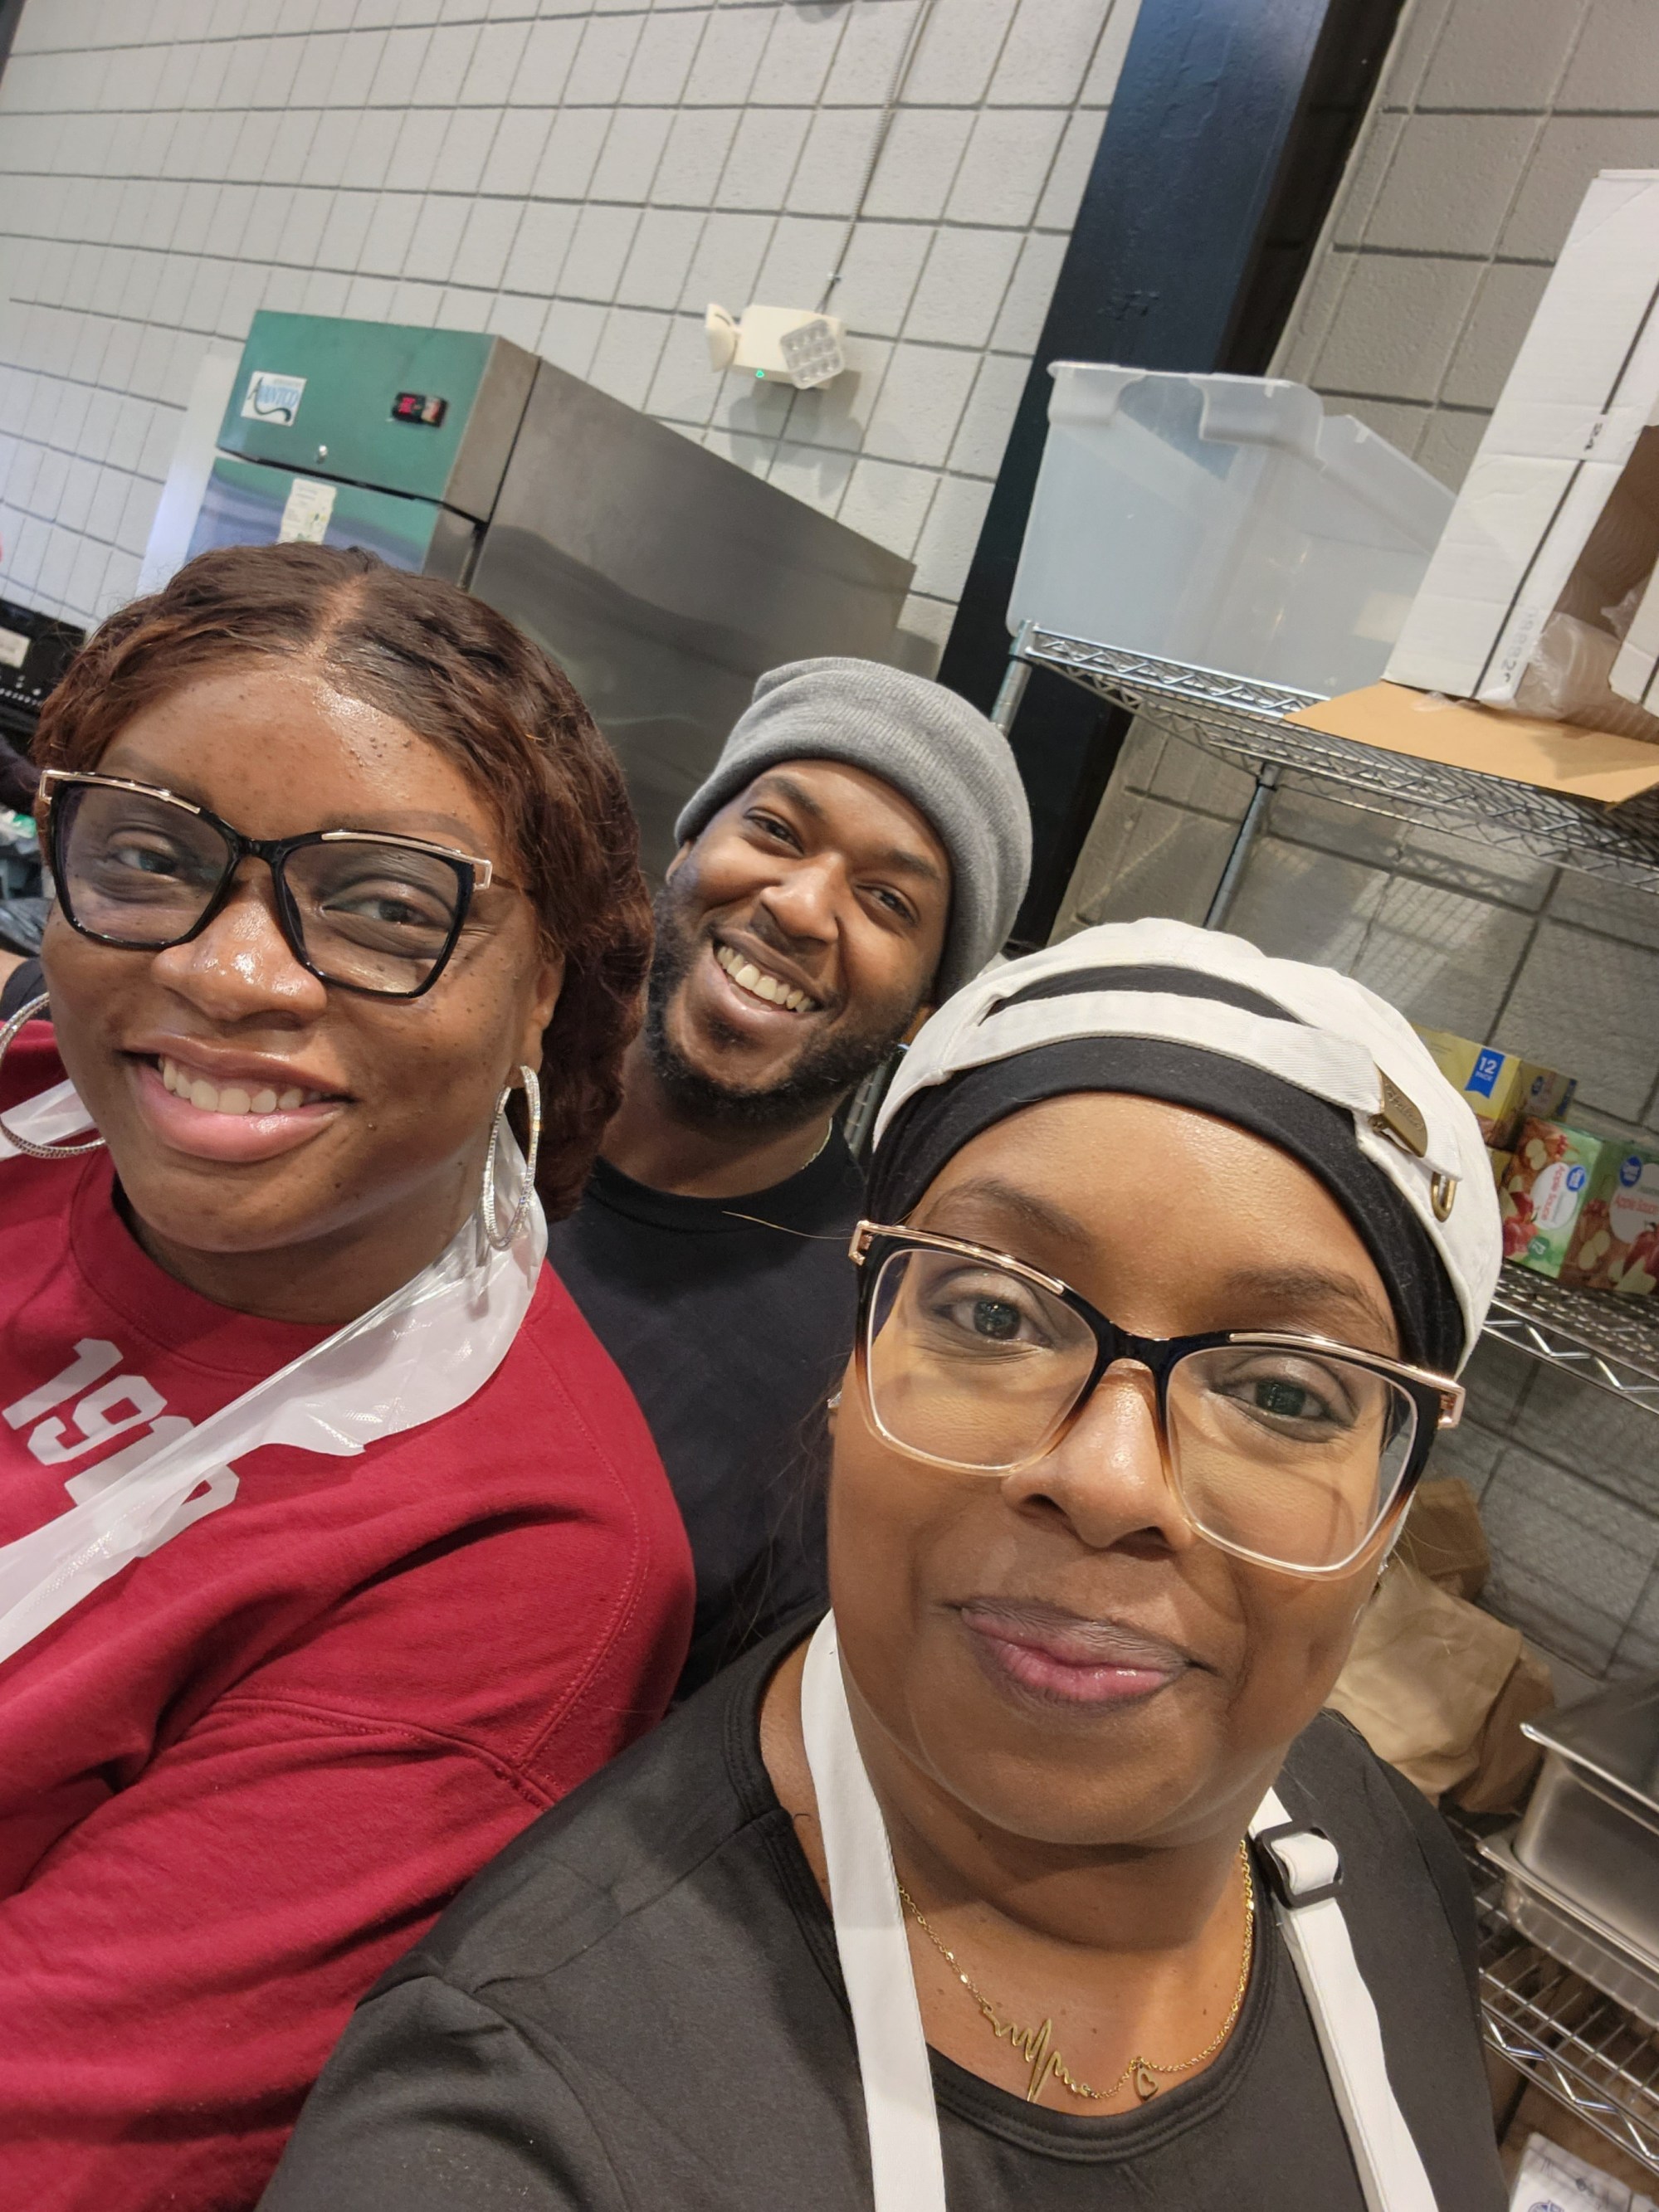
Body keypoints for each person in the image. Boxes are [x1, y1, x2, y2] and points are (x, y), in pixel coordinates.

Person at [264, 916, 1509, 2212]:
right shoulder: (518, 2107)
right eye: (993, 1312)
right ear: (847, 1367)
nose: (1105, 1481)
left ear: (1389, 1510)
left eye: (1283, 1390)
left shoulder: (1376, 1842)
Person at [0, 543, 693, 2208]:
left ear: (539, 988)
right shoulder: (32, 1093)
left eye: (385, 904)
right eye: (151, 857)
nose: (230, 973)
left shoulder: (519, 1559)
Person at [550, 658, 1032, 1690]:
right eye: (773, 830)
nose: (803, 907)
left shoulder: (864, 1357)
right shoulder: (463, 1090)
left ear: (923, 1008)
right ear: (688, 845)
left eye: (887, 899)